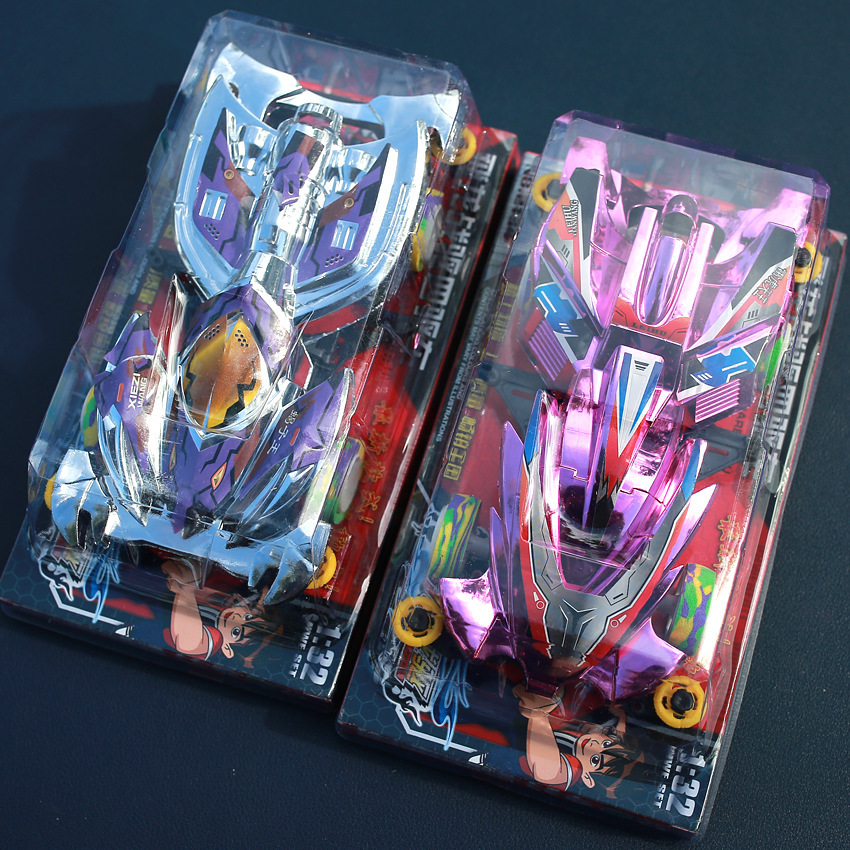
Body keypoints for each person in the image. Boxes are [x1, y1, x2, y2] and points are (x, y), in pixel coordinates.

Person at [514, 683, 643, 797]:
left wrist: (538, 712)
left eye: (595, 760)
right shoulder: (593, 729)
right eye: (606, 743)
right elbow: (620, 735)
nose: (594, 745)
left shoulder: (566, 772)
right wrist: (621, 717)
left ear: (587, 778)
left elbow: (546, 772)